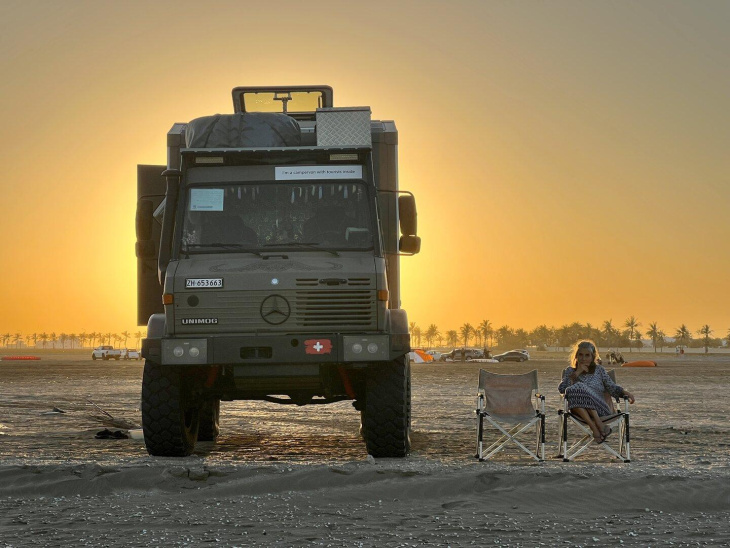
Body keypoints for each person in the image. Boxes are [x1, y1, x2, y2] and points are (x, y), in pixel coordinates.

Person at [558, 339, 635, 444]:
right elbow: (563, 390)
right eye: (580, 355)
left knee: (579, 386)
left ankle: (596, 425)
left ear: (592, 356)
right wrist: (577, 373)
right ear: (576, 356)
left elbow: (612, 387)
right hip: (579, 411)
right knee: (573, 389)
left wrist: (625, 393)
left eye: (587, 355)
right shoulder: (570, 371)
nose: (583, 358)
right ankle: (595, 426)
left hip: (601, 409)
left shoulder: (599, 370)